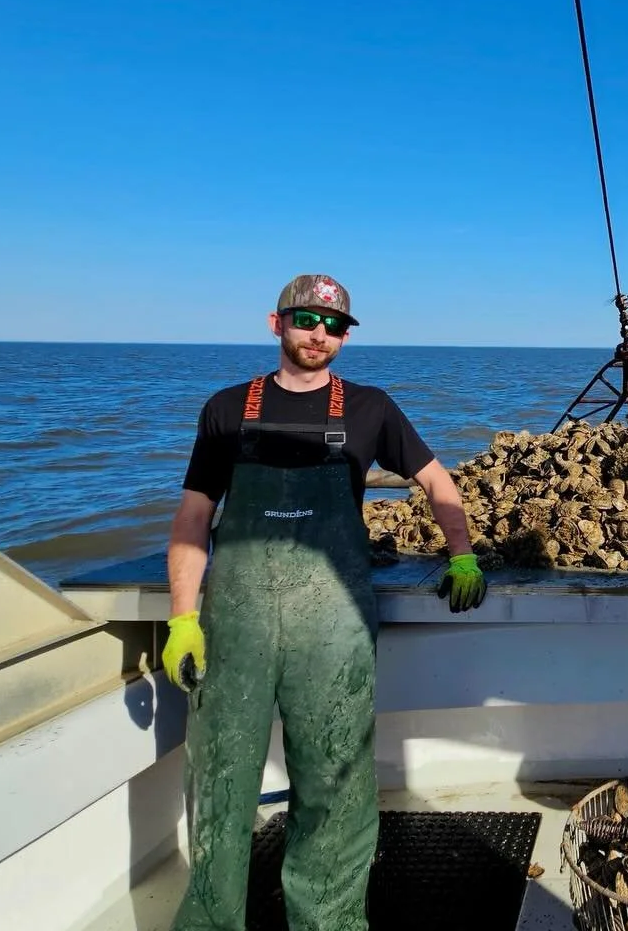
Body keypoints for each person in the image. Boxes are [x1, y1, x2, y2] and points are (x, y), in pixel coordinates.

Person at [161, 274, 487, 931]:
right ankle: (210, 920)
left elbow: (434, 479)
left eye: (334, 325)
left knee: (335, 784)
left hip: (332, 625)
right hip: (237, 624)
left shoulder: (370, 407)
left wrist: (461, 552)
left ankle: (330, 921)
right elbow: (195, 516)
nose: (320, 334)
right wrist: (183, 620)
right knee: (222, 779)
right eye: (307, 320)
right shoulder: (227, 408)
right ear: (276, 323)